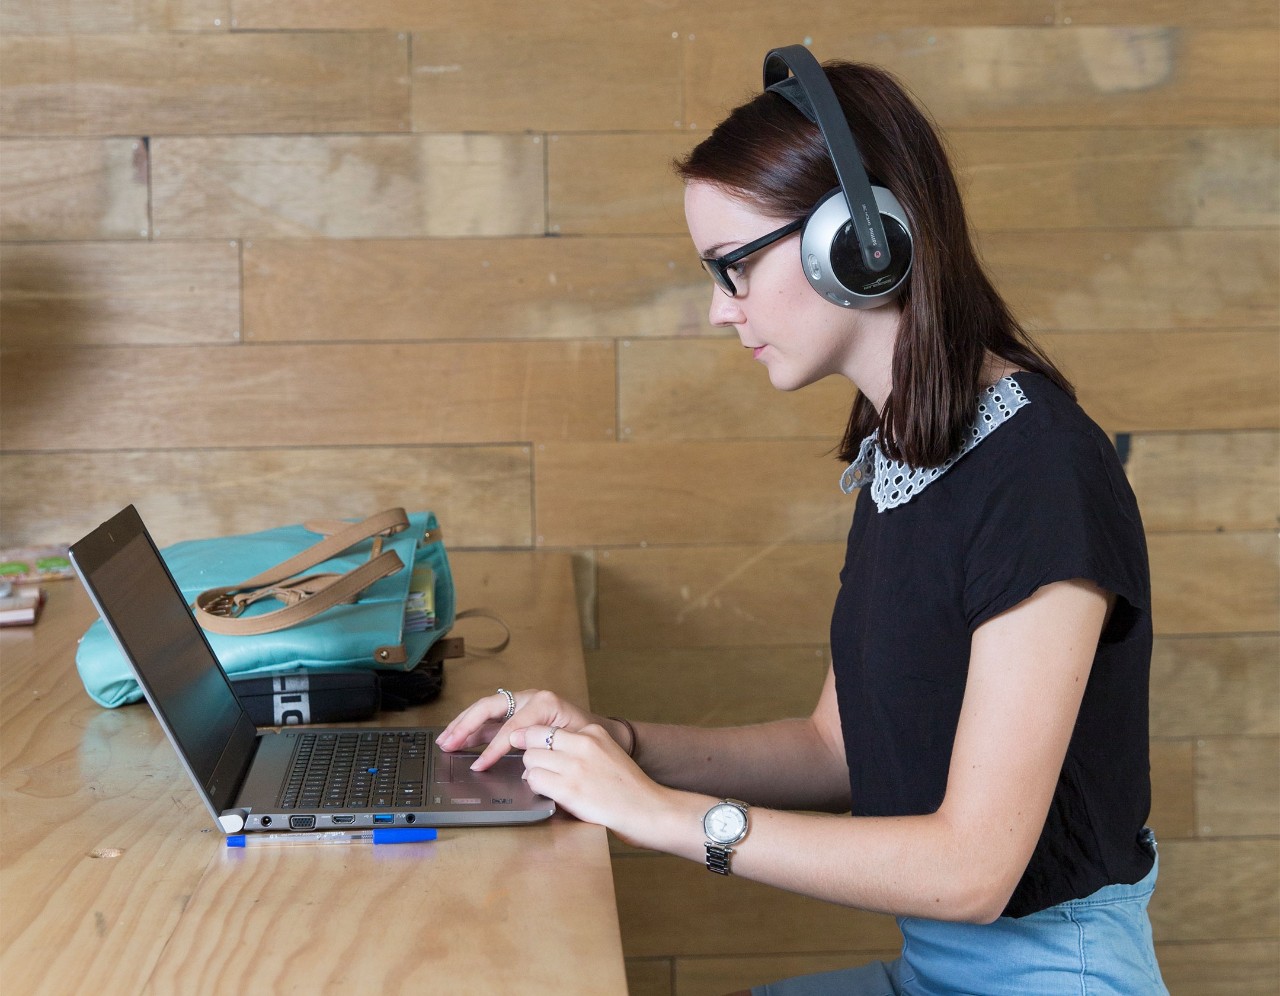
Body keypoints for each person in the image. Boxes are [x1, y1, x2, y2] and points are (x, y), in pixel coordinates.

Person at [439, 50, 1167, 995]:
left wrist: (667, 819)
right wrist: (612, 745)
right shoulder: (908, 450)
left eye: (733, 268)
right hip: (942, 969)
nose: (717, 309)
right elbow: (835, 751)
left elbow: (973, 871)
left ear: (862, 242)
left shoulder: (1040, 475)